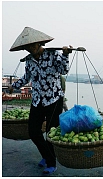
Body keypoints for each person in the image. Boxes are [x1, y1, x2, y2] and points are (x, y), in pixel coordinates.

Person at [8, 27, 73, 174]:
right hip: (37, 100)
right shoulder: (29, 61)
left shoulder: (53, 55)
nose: (30, 49)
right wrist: (14, 86)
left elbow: (63, 70)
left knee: (51, 133)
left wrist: (65, 54)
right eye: (27, 47)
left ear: (40, 44)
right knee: (33, 131)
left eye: (32, 46)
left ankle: (51, 163)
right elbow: (27, 77)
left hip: (54, 99)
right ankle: (46, 155)